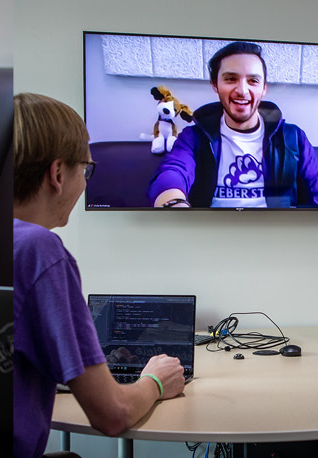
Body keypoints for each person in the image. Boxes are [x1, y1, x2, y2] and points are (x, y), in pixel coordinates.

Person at [13, 93, 187, 457]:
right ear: (57, 174)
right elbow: (113, 415)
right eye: (86, 170)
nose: (85, 182)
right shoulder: (40, 251)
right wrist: (155, 381)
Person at [148, 41, 318, 208]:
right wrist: (175, 207)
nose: (242, 90)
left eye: (253, 81)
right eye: (230, 79)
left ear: (264, 88)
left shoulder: (293, 137)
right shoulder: (193, 137)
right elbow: (171, 174)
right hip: (210, 231)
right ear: (215, 85)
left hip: (276, 230)